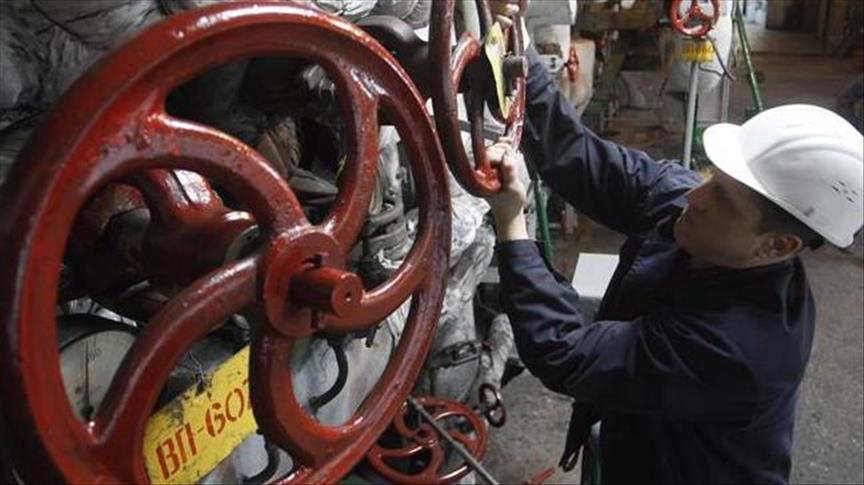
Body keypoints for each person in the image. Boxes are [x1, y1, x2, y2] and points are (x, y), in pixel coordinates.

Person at [484, 1, 864, 483]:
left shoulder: (742, 348)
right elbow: (580, 157)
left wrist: (512, 226)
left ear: (778, 246)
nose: (693, 195)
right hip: (637, 440)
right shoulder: (698, 212)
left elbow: (567, 351)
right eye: (712, 176)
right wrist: (518, 46)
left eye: (722, 198)